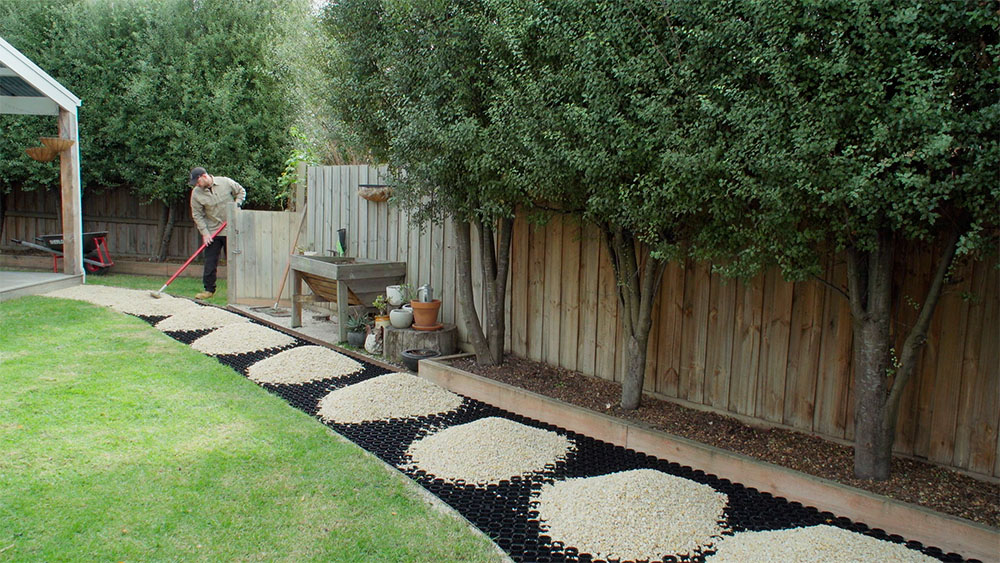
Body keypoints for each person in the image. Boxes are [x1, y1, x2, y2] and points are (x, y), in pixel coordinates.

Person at [188, 166, 246, 299]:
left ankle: (237, 291)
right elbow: (197, 214)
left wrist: (236, 205)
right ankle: (209, 290)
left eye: (197, 182)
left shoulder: (225, 182)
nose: (197, 185)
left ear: (203, 176)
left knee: (234, 261)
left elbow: (241, 191)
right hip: (213, 231)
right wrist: (205, 233)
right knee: (210, 262)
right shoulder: (196, 193)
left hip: (231, 228)